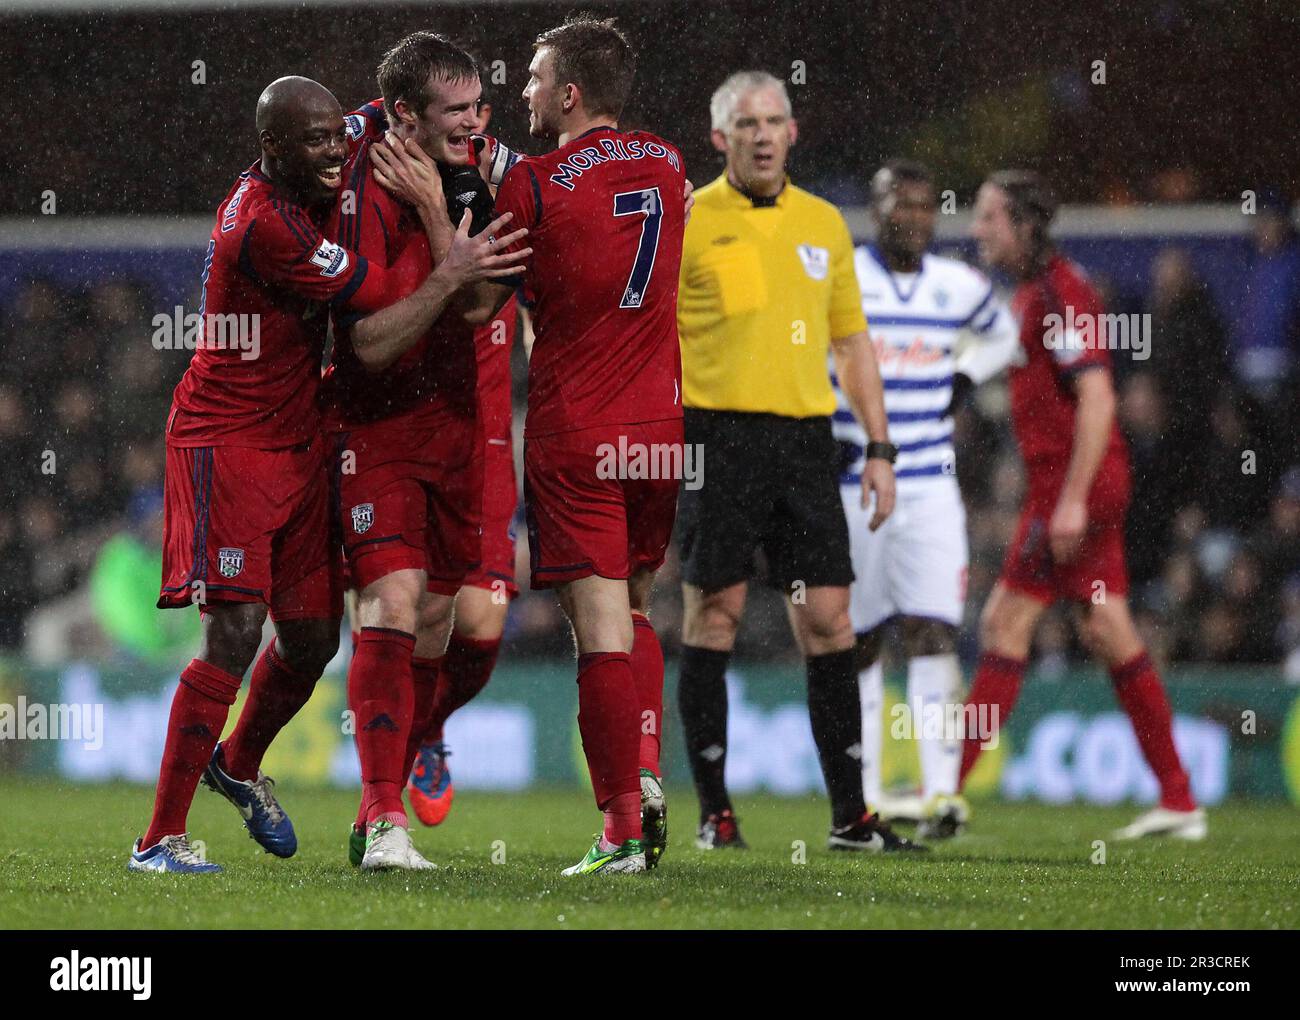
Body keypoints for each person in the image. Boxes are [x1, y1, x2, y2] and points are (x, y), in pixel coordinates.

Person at [131, 75, 518, 874]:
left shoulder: (326, 151)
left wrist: (431, 120)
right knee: (234, 634)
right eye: (315, 144)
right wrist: (453, 261)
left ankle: (235, 765)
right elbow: (377, 311)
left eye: (339, 139)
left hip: (302, 440)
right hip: (228, 443)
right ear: (272, 149)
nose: (336, 155)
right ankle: (159, 839)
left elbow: (385, 111)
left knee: (310, 640)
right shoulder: (264, 225)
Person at [675, 71, 917, 853]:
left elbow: (851, 342)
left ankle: (852, 817)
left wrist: (880, 446)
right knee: (714, 614)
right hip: (716, 440)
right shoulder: (689, 221)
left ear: (793, 131)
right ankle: (715, 812)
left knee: (829, 619)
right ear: (720, 138)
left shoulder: (823, 223)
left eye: (775, 119)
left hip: (807, 443)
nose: (764, 134)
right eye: (747, 123)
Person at [323, 33, 530, 871]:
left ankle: (428, 733)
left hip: (466, 420)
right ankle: (380, 816)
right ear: (405, 113)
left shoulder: (497, 175)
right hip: (369, 424)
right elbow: (367, 342)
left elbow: (480, 305)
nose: (475, 124)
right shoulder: (352, 164)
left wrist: (442, 210)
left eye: (481, 107)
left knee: (464, 619)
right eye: (456, 111)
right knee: (392, 604)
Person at [489, 15, 687, 874]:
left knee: (598, 632)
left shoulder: (532, 186)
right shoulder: (671, 163)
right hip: (659, 431)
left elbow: (499, 287)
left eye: (535, 78)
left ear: (569, 93)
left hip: (576, 429)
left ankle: (619, 834)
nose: (523, 90)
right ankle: (642, 772)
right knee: (637, 611)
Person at [960, 170, 1205, 841]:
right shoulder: (1037, 294)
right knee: (1107, 628)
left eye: (988, 218)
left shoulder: (1063, 293)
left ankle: (942, 792)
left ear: (1024, 225)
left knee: (1005, 623)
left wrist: (1069, 502)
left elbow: (1098, 398)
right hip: (1076, 485)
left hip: (1075, 488)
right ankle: (1180, 798)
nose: (976, 230)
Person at [840, 160, 1017, 839]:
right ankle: (866, 794)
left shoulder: (957, 286)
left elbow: (1002, 333)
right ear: (876, 208)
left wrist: (967, 375)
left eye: (922, 206)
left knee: (933, 629)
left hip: (929, 483)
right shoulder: (844, 277)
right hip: (855, 479)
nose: (911, 216)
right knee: (858, 640)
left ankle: (941, 792)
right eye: (897, 204)